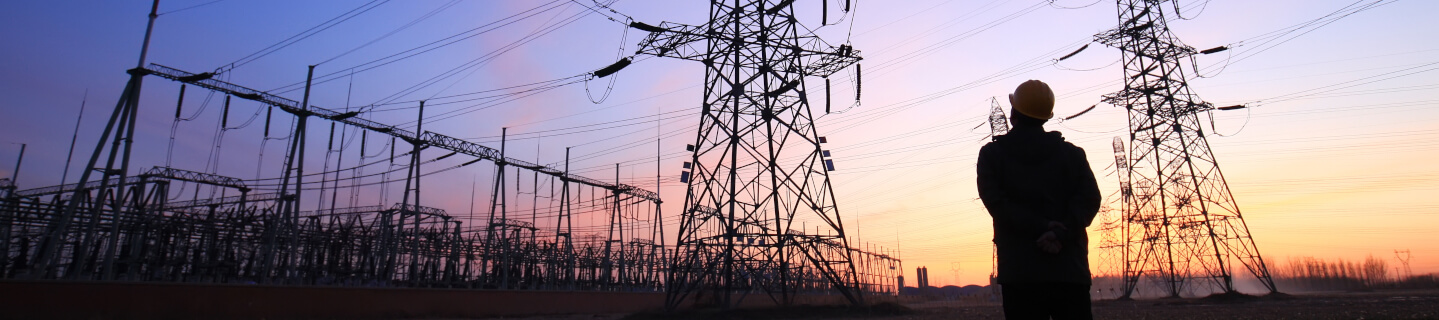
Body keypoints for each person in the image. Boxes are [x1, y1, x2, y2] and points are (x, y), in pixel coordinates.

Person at [977, 80, 1102, 320]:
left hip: (1020, 274)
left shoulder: (992, 156)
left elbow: (998, 205)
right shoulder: (1073, 155)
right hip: (1068, 270)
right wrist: (1059, 233)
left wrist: (1040, 227)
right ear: (1046, 117)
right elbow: (1090, 200)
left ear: (1013, 114)